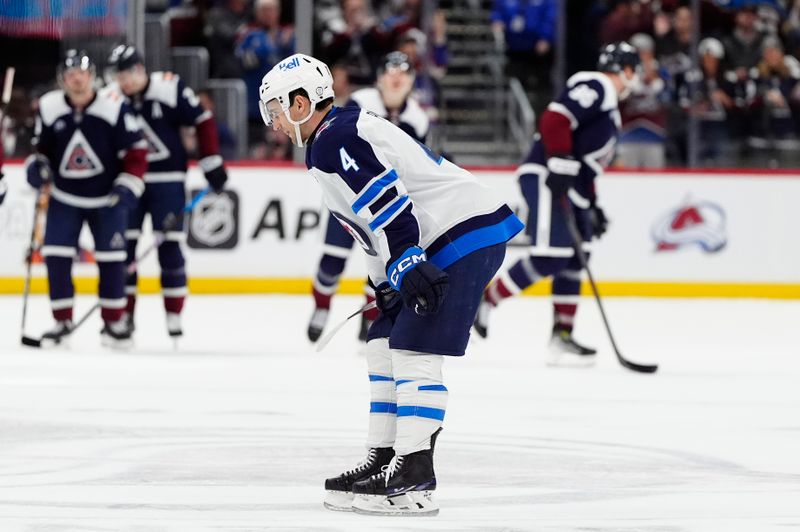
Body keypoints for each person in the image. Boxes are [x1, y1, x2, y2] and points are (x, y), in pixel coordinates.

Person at [259, 53, 523, 515]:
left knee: (413, 351)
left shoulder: (334, 137)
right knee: (381, 341)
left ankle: (414, 478)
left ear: (301, 103)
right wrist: (384, 277)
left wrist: (406, 259)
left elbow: (387, 199)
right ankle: (384, 458)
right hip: (437, 240)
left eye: (276, 108)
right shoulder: (328, 138)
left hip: (460, 236)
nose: (273, 120)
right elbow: (367, 225)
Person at [473, 42, 641, 366]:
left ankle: (562, 336)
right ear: (627, 70)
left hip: (566, 182)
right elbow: (554, 119)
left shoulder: (609, 108)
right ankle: (485, 300)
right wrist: (561, 161)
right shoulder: (597, 85)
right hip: (546, 174)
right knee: (551, 256)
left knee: (578, 256)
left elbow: (585, 164)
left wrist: (592, 205)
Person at [25, 49, 148, 348]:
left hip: (107, 199)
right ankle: (62, 319)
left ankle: (114, 321)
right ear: (62, 79)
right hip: (64, 197)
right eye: (70, 75)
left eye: (81, 74)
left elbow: (136, 152)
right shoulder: (50, 106)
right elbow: (42, 148)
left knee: (112, 260)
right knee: (55, 256)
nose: (76, 80)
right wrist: (38, 166)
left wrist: (127, 185)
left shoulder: (114, 107)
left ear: (92, 76)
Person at [105, 44, 228, 339]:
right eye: (117, 76)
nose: (121, 82)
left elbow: (203, 118)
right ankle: (124, 317)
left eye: (125, 75)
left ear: (138, 70)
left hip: (168, 181)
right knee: (124, 250)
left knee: (170, 248)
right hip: (128, 182)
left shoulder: (169, 87)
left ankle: (174, 316)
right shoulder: (111, 98)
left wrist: (210, 160)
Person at [307, 51, 430, 344]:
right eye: (391, 71)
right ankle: (321, 308)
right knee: (332, 260)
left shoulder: (418, 118)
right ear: (379, 78)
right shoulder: (361, 103)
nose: (397, 78)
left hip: (382, 199)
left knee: (385, 259)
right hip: (347, 196)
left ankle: (370, 317)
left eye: (404, 73)